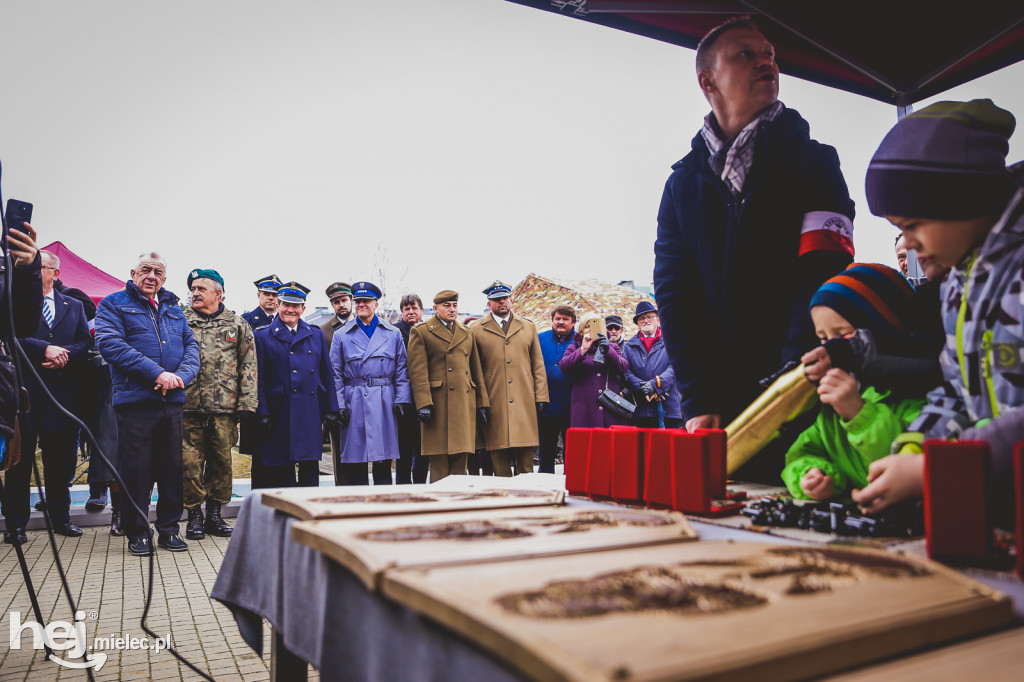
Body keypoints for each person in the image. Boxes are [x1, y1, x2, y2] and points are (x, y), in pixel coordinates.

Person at [652, 17, 855, 478]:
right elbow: (674, 291)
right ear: (708, 81)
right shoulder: (682, 184)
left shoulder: (815, 162)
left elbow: (826, 268)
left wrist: (790, 378)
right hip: (719, 408)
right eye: (746, 53)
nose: (766, 61)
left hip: (798, 389)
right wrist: (698, 398)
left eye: (770, 54)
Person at [850, 99, 1024, 521]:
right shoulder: (956, 285)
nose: (906, 244)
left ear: (962, 198)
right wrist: (916, 446)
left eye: (912, 225)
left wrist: (938, 467)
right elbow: (956, 389)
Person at [782, 264, 927, 501]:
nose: (830, 348)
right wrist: (811, 475)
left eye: (843, 337)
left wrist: (859, 414)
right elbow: (800, 454)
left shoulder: (918, 397)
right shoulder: (830, 408)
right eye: (823, 338)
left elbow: (903, 460)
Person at [95, 252, 199, 557]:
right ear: (133, 273)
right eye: (145, 270)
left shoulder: (174, 308)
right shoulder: (113, 304)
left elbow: (191, 346)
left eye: (158, 272)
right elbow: (111, 345)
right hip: (136, 402)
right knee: (136, 471)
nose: (151, 276)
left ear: (164, 278)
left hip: (172, 401)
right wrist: (157, 373)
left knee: (171, 469)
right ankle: (138, 532)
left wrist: (180, 376)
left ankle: (169, 530)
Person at [182, 269, 257, 539]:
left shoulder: (237, 325)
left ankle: (214, 514)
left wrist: (248, 403)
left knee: (222, 464)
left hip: (225, 408)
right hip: (187, 406)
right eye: (193, 288)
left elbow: (248, 365)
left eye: (202, 288)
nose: (195, 293)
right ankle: (194, 516)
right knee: (189, 465)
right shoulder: (180, 321)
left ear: (219, 293)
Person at [253, 282, 339, 488]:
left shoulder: (315, 334)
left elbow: (327, 373)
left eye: (296, 305)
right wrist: (262, 411)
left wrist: (331, 408)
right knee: (282, 468)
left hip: (309, 410)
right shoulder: (262, 336)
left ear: (303, 308)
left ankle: (309, 512)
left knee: (309, 466)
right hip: (279, 410)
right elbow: (259, 378)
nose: (290, 310)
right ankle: (285, 515)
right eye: (286, 304)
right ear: (279, 305)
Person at [2, 240, 57, 546]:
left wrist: (66, 354)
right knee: (19, 466)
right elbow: (18, 335)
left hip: (56, 394)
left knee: (55, 462)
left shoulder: (71, 304)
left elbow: (81, 341)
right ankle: (15, 524)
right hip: (21, 392)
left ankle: (59, 516)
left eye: (42, 266)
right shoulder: (12, 293)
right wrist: (45, 348)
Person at [330, 281, 411, 485]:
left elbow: (402, 370)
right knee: (356, 462)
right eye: (358, 301)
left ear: (376, 304)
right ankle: (358, 509)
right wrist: (339, 404)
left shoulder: (393, 333)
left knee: (383, 460)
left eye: (366, 301)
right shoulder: (341, 335)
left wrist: (402, 400)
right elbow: (335, 373)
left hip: (384, 400)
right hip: (354, 400)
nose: (361, 305)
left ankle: (383, 508)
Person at [407, 290, 489, 482]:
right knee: (440, 461)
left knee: (461, 458)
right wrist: (423, 403)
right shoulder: (422, 331)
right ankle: (440, 506)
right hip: (438, 404)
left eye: (454, 305)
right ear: (435, 309)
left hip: (463, 402)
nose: (452, 309)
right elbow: (417, 371)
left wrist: (482, 403)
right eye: (447, 306)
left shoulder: (466, 333)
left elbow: (476, 371)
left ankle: (459, 505)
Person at [471, 281, 548, 477]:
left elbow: (538, 365)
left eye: (504, 298)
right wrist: (481, 402)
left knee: (526, 463)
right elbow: (475, 370)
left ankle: (528, 501)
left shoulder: (528, 327)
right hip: (494, 402)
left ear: (511, 300)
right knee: (499, 461)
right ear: (489, 303)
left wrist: (541, 397)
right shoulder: (476, 329)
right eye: (496, 300)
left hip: (524, 401)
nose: (501, 303)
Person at [559, 312, 630, 428]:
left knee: (611, 443)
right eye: (587, 326)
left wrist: (608, 350)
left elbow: (623, 367)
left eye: (595, 326)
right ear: (581, 331)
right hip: (584, 409)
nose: (591, 329)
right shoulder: (574, 347)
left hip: (610, 407)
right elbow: (564, 367)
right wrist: (582, 350)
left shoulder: (613, 347)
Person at [622, 301, 682, 429]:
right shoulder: (628, 347)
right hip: (642, 410)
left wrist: (656, 385)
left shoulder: (671, 340)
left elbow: (676, 366)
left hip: (669, 408)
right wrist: (642, 387)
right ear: (637, 323)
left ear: (658, 320)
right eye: (641, 318)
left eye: (650, 317)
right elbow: (626, 371)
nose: (646, 320)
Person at [537, 305, 576, 473]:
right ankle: (545, 487)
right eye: (557, 319)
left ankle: (572, 485)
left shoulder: (581, 340)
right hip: (547, 403)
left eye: (565, 319)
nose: (561, 322)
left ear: (573, 323)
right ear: (552, 320)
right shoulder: (539, 339)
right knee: (546, 450)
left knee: (573, 451)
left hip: (572, 404)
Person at [394, 293, 427, 483]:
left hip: (424, 398)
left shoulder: (427, 331)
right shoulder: (395, 332)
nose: (411, 312)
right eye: (407, 309)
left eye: (414, 308)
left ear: (422, 311)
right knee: (403, 449)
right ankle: (403, 487)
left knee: (423, 450)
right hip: (404, 400)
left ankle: (421, 486)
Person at [319, 281, 354, 347]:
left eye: (344, 300)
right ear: (332, 305)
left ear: (352, 301)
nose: (341, 305)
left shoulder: (363, 324)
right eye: (336, 302)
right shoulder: (323, 331)